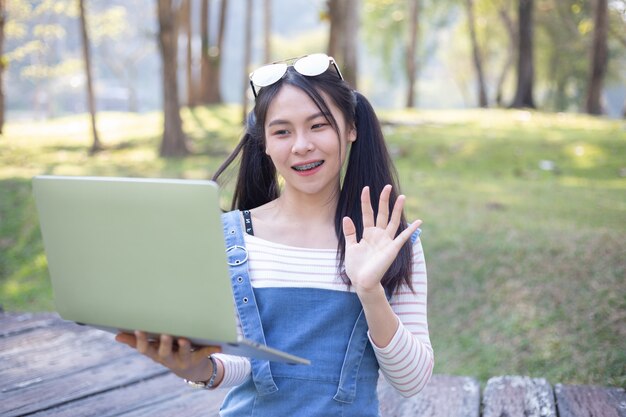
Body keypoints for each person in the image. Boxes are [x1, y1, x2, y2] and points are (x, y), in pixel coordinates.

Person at [116, 53, 433, 416]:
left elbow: (412, 380)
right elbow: (240, 360)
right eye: (282, 131)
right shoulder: (232, 237)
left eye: (319, 125)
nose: (301, 146)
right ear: (264, 142)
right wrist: (197, 368)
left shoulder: (391, 243)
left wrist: (370, 292)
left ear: (351, 128)